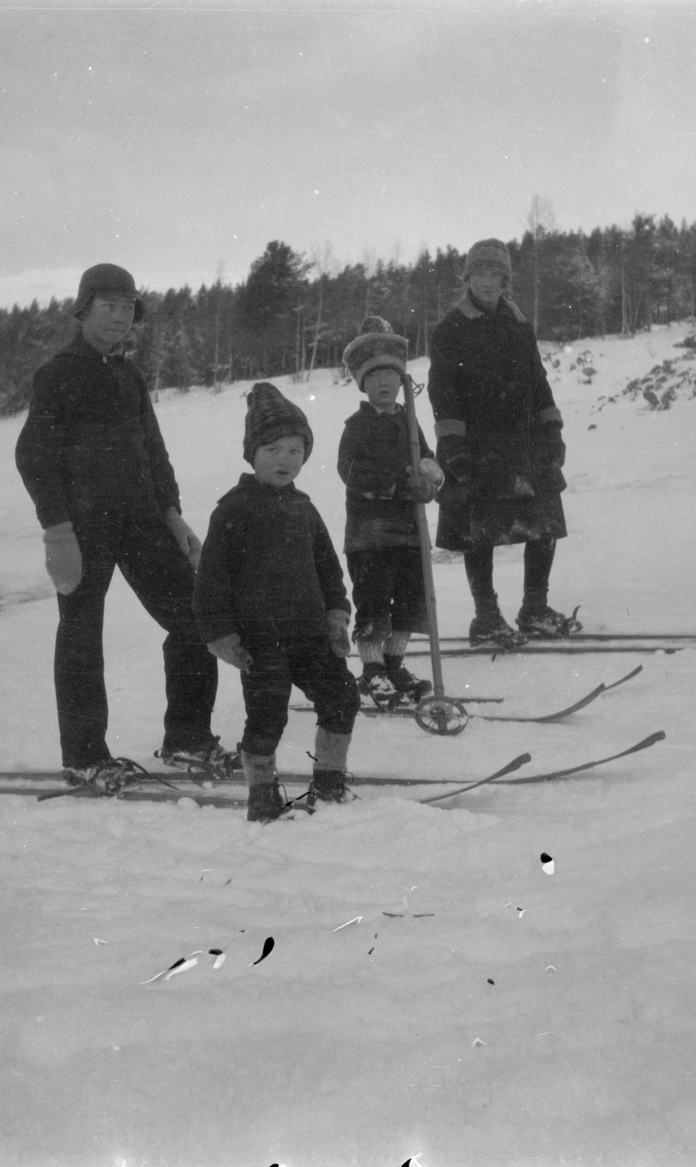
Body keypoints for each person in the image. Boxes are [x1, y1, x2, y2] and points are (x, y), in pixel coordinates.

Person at [15, 263, 230, 789]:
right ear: (83, 310)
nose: (119, 316)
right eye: (107, 306)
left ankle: (186, 738)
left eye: (127, 307)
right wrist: (57, 530)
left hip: (141, 520)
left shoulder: (128, 374)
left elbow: (152, 450)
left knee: (194, 617)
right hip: (84, 527)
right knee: (82, 636)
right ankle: (85, 755)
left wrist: (172, 513)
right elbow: (33, 455)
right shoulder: (58, 373)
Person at [194, 382, 360, 822]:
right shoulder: (233, 510)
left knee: (341, 695)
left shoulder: (305, 509)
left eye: (295, 449)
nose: (285, 459)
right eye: (272, 449)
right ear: (251, 454)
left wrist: (335, 613)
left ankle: (328, 780)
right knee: (267, 718)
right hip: (260, 643)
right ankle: (262, 793)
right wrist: (221, 635)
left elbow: (328, 569)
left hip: (310, 637)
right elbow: (211, 579)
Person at [427, 238, 576, 648]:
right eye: (481, 274)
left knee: (543, 523)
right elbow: (444, 393)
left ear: (506, 279)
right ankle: (487, 617)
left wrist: (552, 428)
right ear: (468, 277)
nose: (489, 283)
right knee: (481, 531)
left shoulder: (518, 323)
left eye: (496, 275)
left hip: (524, 444)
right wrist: (455, 446)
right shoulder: (450, 330)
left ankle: (534, 609)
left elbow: (538, 379)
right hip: (477, 445)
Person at [338, 316, 444, 705]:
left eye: (391, 376)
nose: (384, 383)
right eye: (375, 377)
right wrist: (401, 484)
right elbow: (352, 473)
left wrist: (431, 475)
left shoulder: (409, 422)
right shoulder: (358, 426)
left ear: (402, 382)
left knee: (412, 600)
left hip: (409, 532)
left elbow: (426, 458)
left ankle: (395, 665)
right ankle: (372, 671)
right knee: (375, 602)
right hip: (370, 536)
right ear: (362, 384)